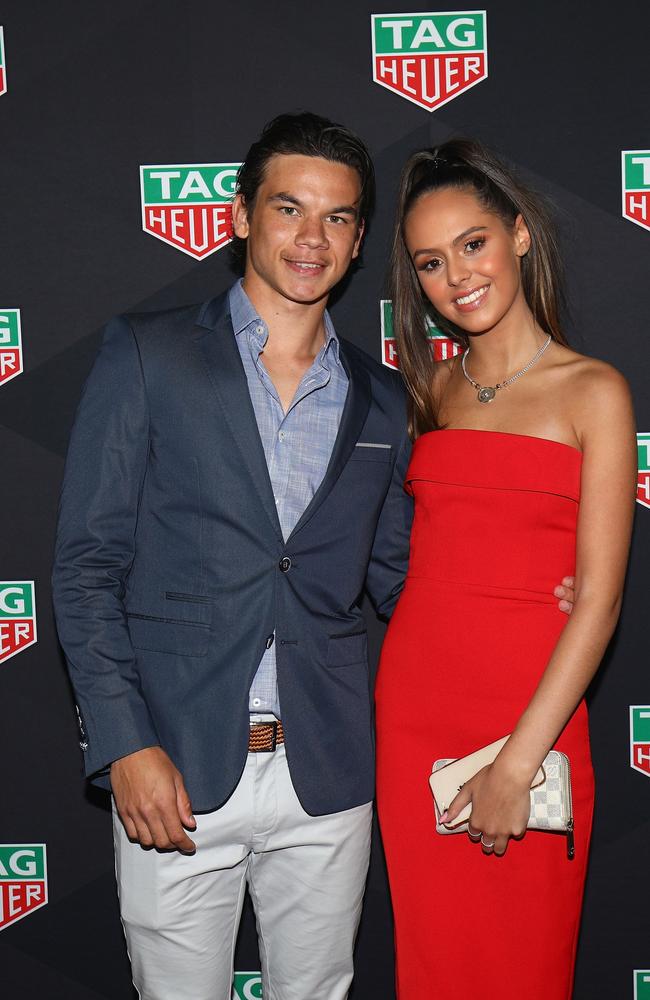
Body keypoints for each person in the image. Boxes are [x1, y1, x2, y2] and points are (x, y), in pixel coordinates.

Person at [52, 114, 575, 1000]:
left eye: (337, 218)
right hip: (175, 771)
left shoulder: (383, 399)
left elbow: (407, 577)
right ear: (241, 216)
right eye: (290, 208)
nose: (311, 237)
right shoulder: (148, 356)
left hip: (329, 775)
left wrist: (524, 590)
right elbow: (87, 565)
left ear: (359, 238)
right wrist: (125, 742)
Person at [374, 138, 636, 999]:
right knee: (436, 968)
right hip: (417, 711)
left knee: (523, 969)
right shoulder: (428, 391)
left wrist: (516, 768)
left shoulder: (593, 389)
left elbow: (597, 603)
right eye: (431, 262)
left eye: (474, 243)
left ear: (520, 237)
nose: (458, 275)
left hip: (534, 719)